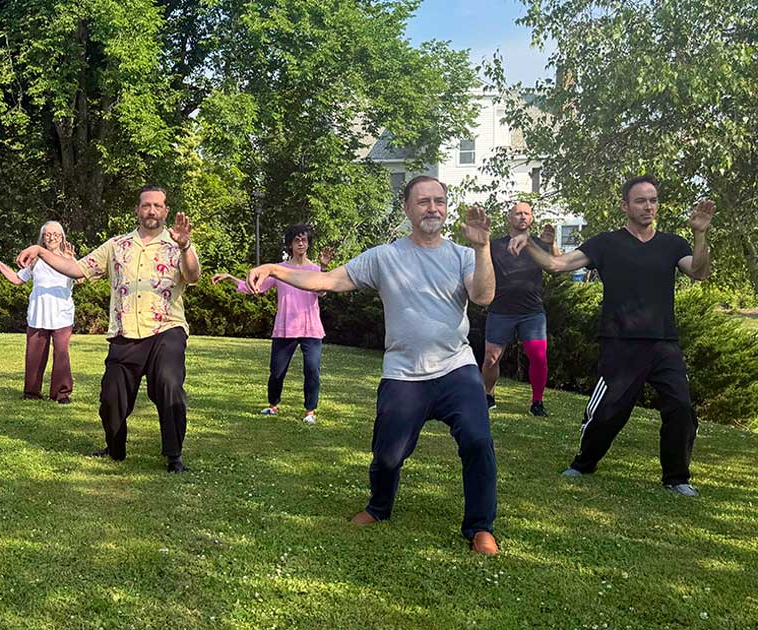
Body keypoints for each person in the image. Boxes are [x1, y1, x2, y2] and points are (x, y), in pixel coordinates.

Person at [245, 176, 500, 554]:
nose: (433, 208)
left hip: (456, 368)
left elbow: (483, 295)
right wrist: (275, 269)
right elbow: (327, 281)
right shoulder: (384, 257)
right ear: (407, 208)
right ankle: (379, 507)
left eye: (439, 201)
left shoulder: (463, 256)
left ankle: (480, 527)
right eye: (424, 201)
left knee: (478, 441)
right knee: (387, 454)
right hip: (403, 374)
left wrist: (482, 249)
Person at [508, 175, 715, 497]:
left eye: (653, 200)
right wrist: (529, 243)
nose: (649, 206)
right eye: (641, 200)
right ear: (625, 206)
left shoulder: (673, 244)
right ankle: (584, 463)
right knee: (607, 413)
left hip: (663, 343)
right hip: (620, 342)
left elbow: (700, 272)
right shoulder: (605, 243)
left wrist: (700, 235)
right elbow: (556, 264)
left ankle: (677, 477)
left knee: (681, 408)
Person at [15, 184, 200, 473]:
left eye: (157, 206)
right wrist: (39, 250)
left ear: (165, 210)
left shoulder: (177, 244)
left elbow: (192, 276)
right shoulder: (117, 245)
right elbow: (78, 269)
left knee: (169, 383)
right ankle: (115, 449)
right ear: (138, 210)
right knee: (111, 396)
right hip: (125, 332)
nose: (151, 210)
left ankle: (174, 456)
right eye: (145, 205)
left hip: (167, 329)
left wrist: (186, 246)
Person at [212, 224, 330, 425]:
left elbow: (322, 291)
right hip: (286, 328)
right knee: (277, 371)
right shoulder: (278, 270)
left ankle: (310, 412)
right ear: (290, 245)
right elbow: (254, 288)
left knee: (312, 371)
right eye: (296, 240)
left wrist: (324, 267)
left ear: (309, 243)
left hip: (311, 329)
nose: (301, 243)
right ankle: (273, 405)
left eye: (304, 240)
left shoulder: (315, 270)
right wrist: (231, 278)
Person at [483, 201, 560, 416]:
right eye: (518, 213)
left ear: (532, 218)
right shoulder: (495, 245)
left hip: (532, 312)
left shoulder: (538, 244)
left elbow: (558, 266)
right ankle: (487, 395)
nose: (523, 217)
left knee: (538, 356)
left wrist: (552, 244)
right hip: (501, 310)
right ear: (510, 218)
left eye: (527, 213)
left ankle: (537, 402)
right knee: (491, 358)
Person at [0, 221, 78, 403]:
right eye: (48, 234)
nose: (52, 238)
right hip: (38, 314)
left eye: (56, 235)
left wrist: (71, 259)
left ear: (62, 238)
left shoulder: (68, 259)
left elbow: (81, 278)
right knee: (34, 356)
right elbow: (18, 279)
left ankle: (61, 394)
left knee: (61, 354)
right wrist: (0, 265)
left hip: (62, 315)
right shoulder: (35, 260)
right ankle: (31, 393)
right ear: (42, 238)